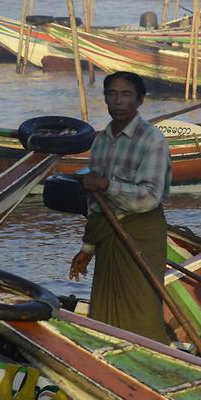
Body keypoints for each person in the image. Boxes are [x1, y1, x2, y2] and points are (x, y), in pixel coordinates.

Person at [69, 71, 172, 343]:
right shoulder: (101, 140)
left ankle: (151, 361)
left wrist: (105, 185)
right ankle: (108, 360)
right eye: (112, 94)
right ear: (104, 99)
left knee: (142, 308)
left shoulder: (153, 141)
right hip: (107, 234)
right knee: (104, 306)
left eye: (126, 94)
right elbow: (95, 205)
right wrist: (87, 248)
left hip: (141, 233)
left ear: (139, 100)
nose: (118, 101)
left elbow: (150, 197)